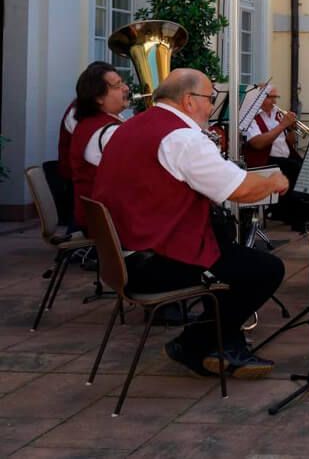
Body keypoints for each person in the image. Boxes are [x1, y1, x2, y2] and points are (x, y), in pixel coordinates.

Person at [92, 69, 288, 378]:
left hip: (121, 257)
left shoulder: (130, 127)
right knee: (265, 270)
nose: (212, 107)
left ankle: (226, 344)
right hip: (152, 263)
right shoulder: (182, 138)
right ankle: (193, 343)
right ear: (188, 100)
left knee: (226, 249)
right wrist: (274, 181)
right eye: (210, 99)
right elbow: (239, 191)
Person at [69, 62, 129, 229]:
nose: (125, 88)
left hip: (99, 216)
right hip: (107, 222)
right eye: (117, 86)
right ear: (98, 97)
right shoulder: (107, 132)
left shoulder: (92, 123)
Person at [241, 85, 306, 230]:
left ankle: (302, 213)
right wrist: (282, 125)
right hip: (265, 160)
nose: (274, 101)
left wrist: (290, 128)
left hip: (285, 157)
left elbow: (291, 142)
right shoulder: (251, 118)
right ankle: (293, 216)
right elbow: (257, 143)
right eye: (270, 97)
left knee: (306, 168)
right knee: (295, 170)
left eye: (275, 97)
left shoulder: (277, 114)